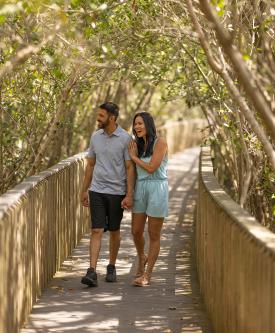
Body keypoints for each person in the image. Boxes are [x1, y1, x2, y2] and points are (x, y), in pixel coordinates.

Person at [80, 102, 135, 287]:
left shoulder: (126, 138)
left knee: (114, 230)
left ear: (112, 118)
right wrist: (84, 189)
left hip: (116, 192)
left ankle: (111, 266)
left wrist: (128, 194)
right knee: (96, 229)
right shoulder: (95, 137)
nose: (98, 118)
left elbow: (129, 168)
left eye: (102, 116)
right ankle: (92, 271)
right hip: (97, 190)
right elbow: (90, 164)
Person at [128, 112, 168, 286]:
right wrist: (128, 194)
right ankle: (141, 256)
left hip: (157, 188)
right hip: (141, 188)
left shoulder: (161, 142)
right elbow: (131, 171)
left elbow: (152, 168)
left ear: (148, 124)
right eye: (135, 124)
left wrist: (135, 158)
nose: (137, 127)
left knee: (153, 234)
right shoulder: (136, 145)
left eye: (140, 124)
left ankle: (147, 275)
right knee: (136, 230)